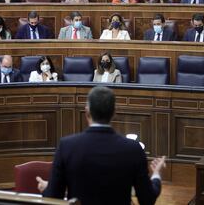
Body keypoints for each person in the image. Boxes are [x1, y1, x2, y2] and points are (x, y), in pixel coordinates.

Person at [37, 86, 165, 204]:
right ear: (114, 112)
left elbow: (53, 198)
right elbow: (147, 200)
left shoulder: (67, 146)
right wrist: (156, 175)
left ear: (87, 112)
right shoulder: (133, 149)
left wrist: (46, 189)